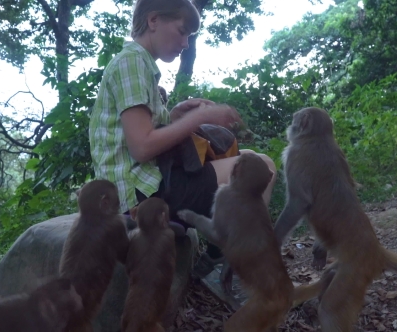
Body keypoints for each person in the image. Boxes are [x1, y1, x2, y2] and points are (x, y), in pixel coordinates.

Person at [88, 0, 277, 277]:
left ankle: (219, 260)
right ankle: (228, 268)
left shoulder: (137, 64)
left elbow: (142, 135)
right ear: (154, 21)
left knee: (250, 160)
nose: (186, 43)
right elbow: (142, 147)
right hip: (142, 195)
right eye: (182, 31)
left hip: (143, 187)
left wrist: (175, 116)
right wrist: (199, 119)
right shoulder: (132, 63)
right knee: (263, 167)